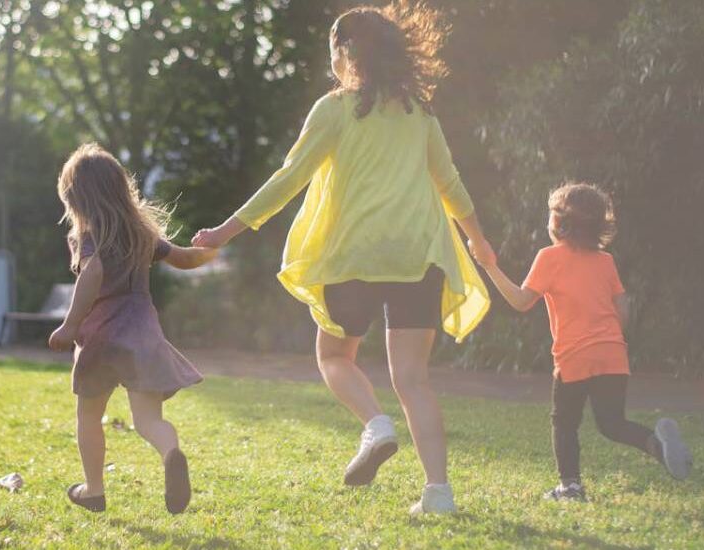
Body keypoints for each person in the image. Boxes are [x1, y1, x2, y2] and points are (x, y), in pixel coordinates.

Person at [193, 4, 493, 515]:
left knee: (334, 357)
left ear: (344, 54)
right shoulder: (419, 111)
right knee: (413, 379)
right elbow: (451, 183)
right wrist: (477, 240)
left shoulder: (334, 108)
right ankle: (438, 494)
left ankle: (376, 427)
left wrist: (225, 230)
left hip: (355, 254)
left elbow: (288, 179)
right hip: (418, 255)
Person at [471, 182, 692, 501]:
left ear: (559, 223)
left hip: (574, 357)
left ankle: (570, 487)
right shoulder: (605, 261)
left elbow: (521, 302)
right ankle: (657, 445)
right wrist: (609, 336)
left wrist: (489, 266)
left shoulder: (548, 257)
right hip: (613, 354)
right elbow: (623, 308)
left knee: (564, 423)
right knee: (612, 423)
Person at [50, 143, 217, 514]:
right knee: (149, 421)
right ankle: (171, 453)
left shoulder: (89, 235)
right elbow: (185, 259)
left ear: (75, 197)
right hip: (142, 336)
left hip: (100, 338)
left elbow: (93, 274)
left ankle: (94, 490)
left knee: (89, 416)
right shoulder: (142, 235)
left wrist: (70, 323)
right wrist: (211, 249)